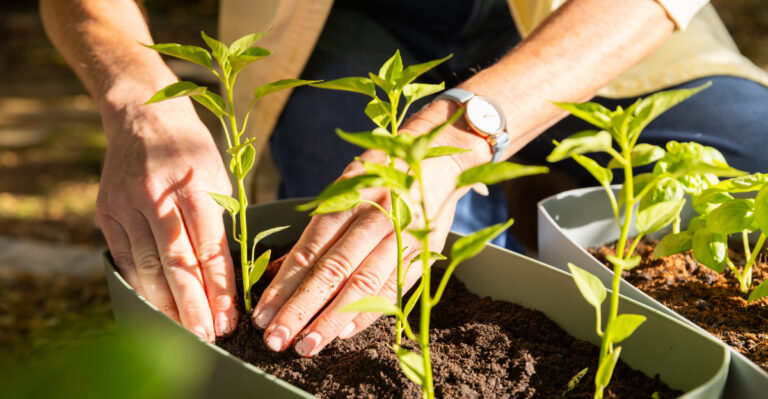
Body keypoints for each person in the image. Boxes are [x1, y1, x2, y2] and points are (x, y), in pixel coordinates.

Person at [41, 0, 768, 358]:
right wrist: (137, 96)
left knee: (749, 167)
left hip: (589, 23)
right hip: (340, 22)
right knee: (346, 277)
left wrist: (462, 131)